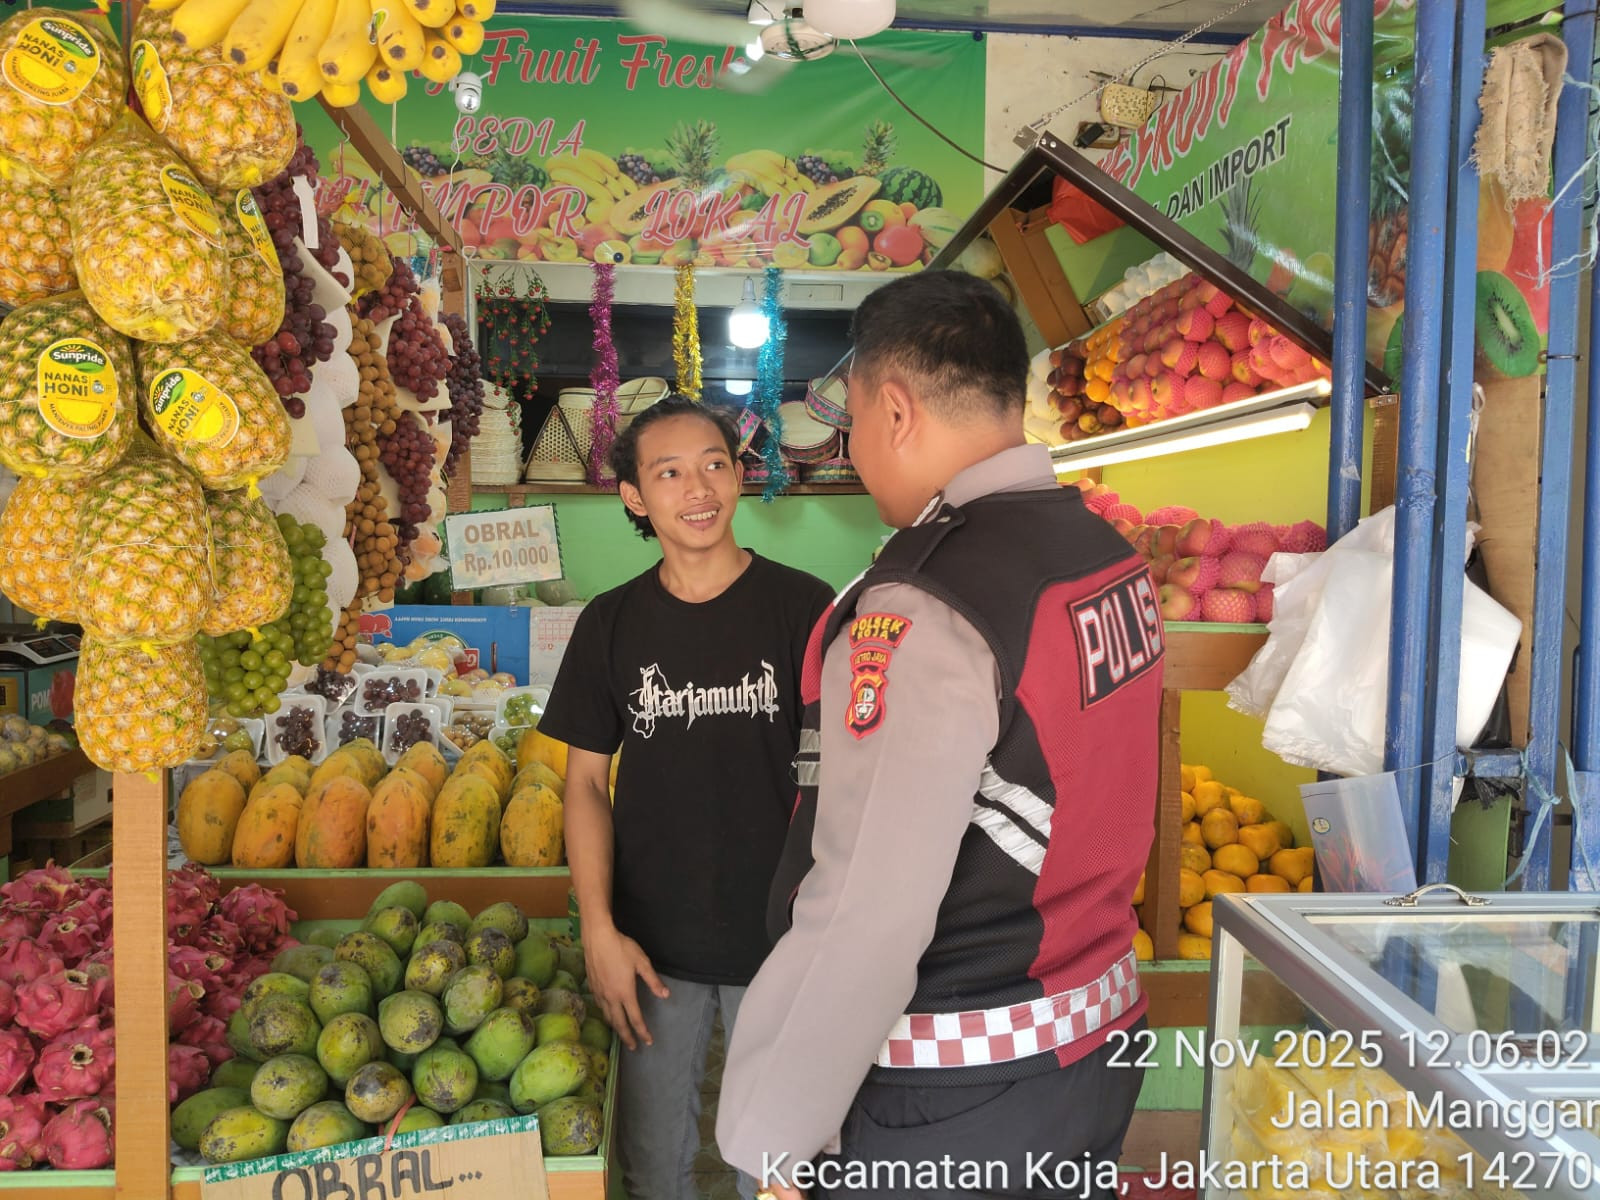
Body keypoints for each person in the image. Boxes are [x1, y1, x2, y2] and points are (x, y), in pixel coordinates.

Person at [717, 271, 1161, 1200]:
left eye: (854, 429)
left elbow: (867, 912)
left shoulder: (925, 607)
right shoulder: (1105, 556)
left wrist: (774, 1137)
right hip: (1095, 1039)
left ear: (894, 410)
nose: (854, 453)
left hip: (958, 1090)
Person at [537, 394, 835, 1200]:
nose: (697, 488)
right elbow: (586, 784)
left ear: (738, 475)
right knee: (652, 1165)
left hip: (784, 944)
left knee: (777, 1172)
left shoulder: (809, 610)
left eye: (713, 464)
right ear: (636, 496)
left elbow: (853, 774)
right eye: (668, 472)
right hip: (651, 948)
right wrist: (598, 928)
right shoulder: (610, 624)